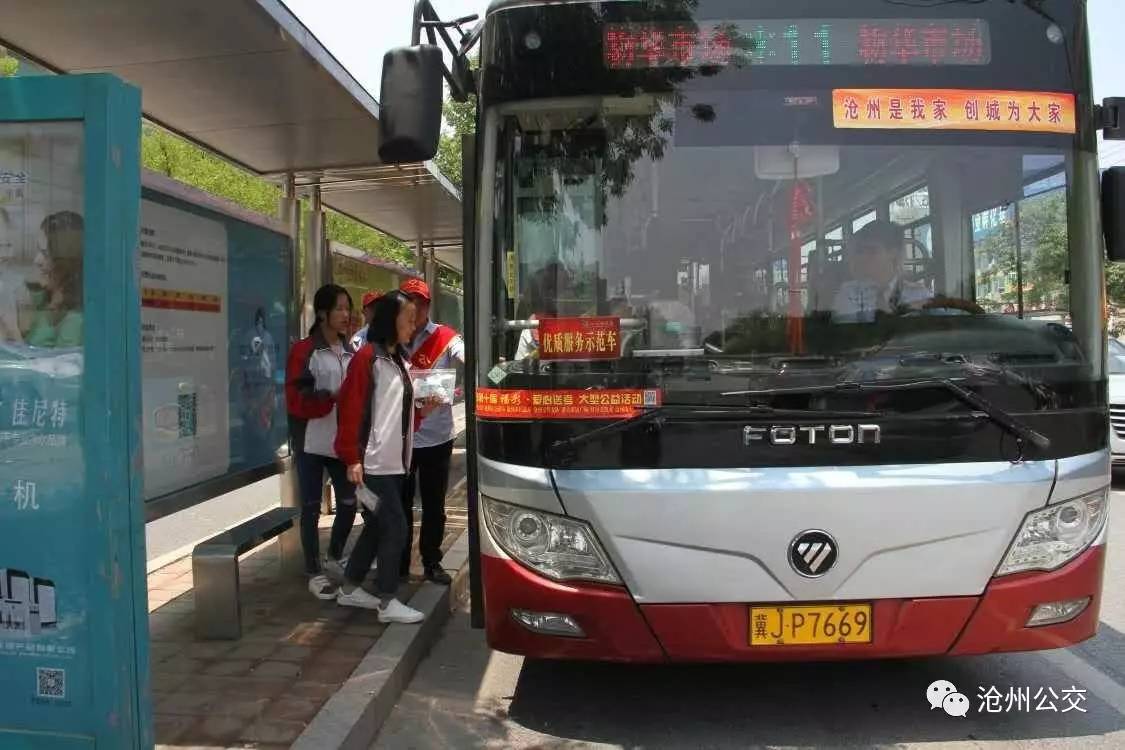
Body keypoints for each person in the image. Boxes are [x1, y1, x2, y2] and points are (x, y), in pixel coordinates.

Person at [333, 290, 437, 622]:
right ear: (391, 320)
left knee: (378, 527)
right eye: (408, 318)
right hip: (373, 464)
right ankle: (387, 600)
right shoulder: (368, 359)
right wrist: (352, 458)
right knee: (396, 528)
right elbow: (350, 411)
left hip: (393, 463)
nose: (413, 324)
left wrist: (423, 412)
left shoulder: (399, 361)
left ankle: (350, 588)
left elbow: (399, 414)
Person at [285, 284, 359, 601]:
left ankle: (335, 556)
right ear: (323, 313)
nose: (345, 314)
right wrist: (330, 397)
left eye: (347, 308)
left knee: (349, 503)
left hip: (341, 443)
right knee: (311, 508)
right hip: (311, 443)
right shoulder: (305, 351)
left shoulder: (350, 350)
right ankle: (313, 570)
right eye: (339, 308)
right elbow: (295, 399)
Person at [398, 278, 465, 585]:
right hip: (401, 438)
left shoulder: (446, 337)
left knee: (434, 505)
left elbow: (465, 354)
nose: (416, 308)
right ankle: (398, 561)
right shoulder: (392, 338)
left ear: (428, 305)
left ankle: (431, 560)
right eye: (410, 302)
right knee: (400, 503)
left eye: (421, 303)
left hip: (436, 436)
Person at [831, 220, 932, 323]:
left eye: (872, 251)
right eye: (860, 251)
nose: (863, 257)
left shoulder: (918, 294)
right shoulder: (849, 293)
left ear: (893, 253)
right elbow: (846, 329)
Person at [17, 211, 84, 347]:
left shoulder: (75, 320)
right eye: (38, 251)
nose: (37, 260)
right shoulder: (40, 298)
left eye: (45, 253)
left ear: (66, 261)